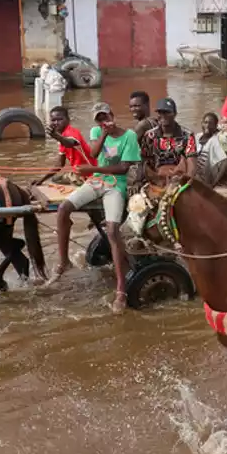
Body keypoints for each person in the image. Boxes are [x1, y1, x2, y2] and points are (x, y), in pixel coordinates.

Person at [52, 103, 140, 313]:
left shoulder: (129, 136)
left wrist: (92, 168)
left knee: (112, 229)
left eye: (106, 117)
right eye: (99, 119)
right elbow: (93, 151)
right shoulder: (96, 131)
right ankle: (63, 263)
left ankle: (121, 290)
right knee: (63, 208)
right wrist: (102, 134)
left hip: (115, 185)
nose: (104, 122)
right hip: (96, 181)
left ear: (113, 115)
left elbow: (123, 168)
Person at [34, 106, 95, 186]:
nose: (56, 123)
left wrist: (56, 136)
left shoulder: (71, 132)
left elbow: (70, 143)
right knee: (55, 179)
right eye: (53, 120)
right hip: (79, 171)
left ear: (68, 120)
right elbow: (59, 164)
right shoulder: (62, 137)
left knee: (59, 181)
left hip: (89, 174)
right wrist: (41, 180)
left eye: (60, 119)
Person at [142, 97, 197, 182]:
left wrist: (188, 180)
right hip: (156, 178)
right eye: (160, 112)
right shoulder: (150, 135)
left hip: (179, 177)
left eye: (167, 112)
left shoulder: (187, 135)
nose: (163, 115)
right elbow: (144, 160)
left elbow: (191, 160)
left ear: (175, 114)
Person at [196, 112, 227, 187]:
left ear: (215, 126)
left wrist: (214, 184)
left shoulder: (214, 141)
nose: (207, 125)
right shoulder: (197, 137)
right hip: (194, 173)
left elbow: (226, 162)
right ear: (201, 123)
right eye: (205, 122)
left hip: (204, 177)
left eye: (211, 123)